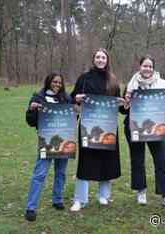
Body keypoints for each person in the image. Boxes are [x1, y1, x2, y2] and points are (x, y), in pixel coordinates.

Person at [120, 55, 165, 208]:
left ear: (153, 68)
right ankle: (141, 192)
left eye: (150, 66)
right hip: (134, 127)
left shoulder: (163, 85)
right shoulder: (131, 85)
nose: (147, 69)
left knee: (162, 160)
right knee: (137, 160)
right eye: (145, 66)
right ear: (140, 67)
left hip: (156, 128)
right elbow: (122, 110)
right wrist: (126, 101)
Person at [69, 48, 125, 212]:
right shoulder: (84, 78)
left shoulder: (113, 80)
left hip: (108, 126)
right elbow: (73, 98)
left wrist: (123, 104)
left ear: (107, 60)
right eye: (98, 57)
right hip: (88, 126)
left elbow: (119, 105)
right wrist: (76, 98)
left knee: (107, 160)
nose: (101, 60)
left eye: (103, 57)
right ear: (93, 59)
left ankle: (103, 195)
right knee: (86, 161)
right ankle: (80, 199)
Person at [24, 73, 71, 221]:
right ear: (48, 82)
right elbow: (30, 121)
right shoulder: (38, 97)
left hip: (64, 139)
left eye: (59, 82)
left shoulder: (66, 98)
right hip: (47, 140)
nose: (57, 84)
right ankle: (31, 207)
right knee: (40, 174)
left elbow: (72, 117)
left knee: (61, 173)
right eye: (54, 82)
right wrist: (31, 110)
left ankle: (57, 200)